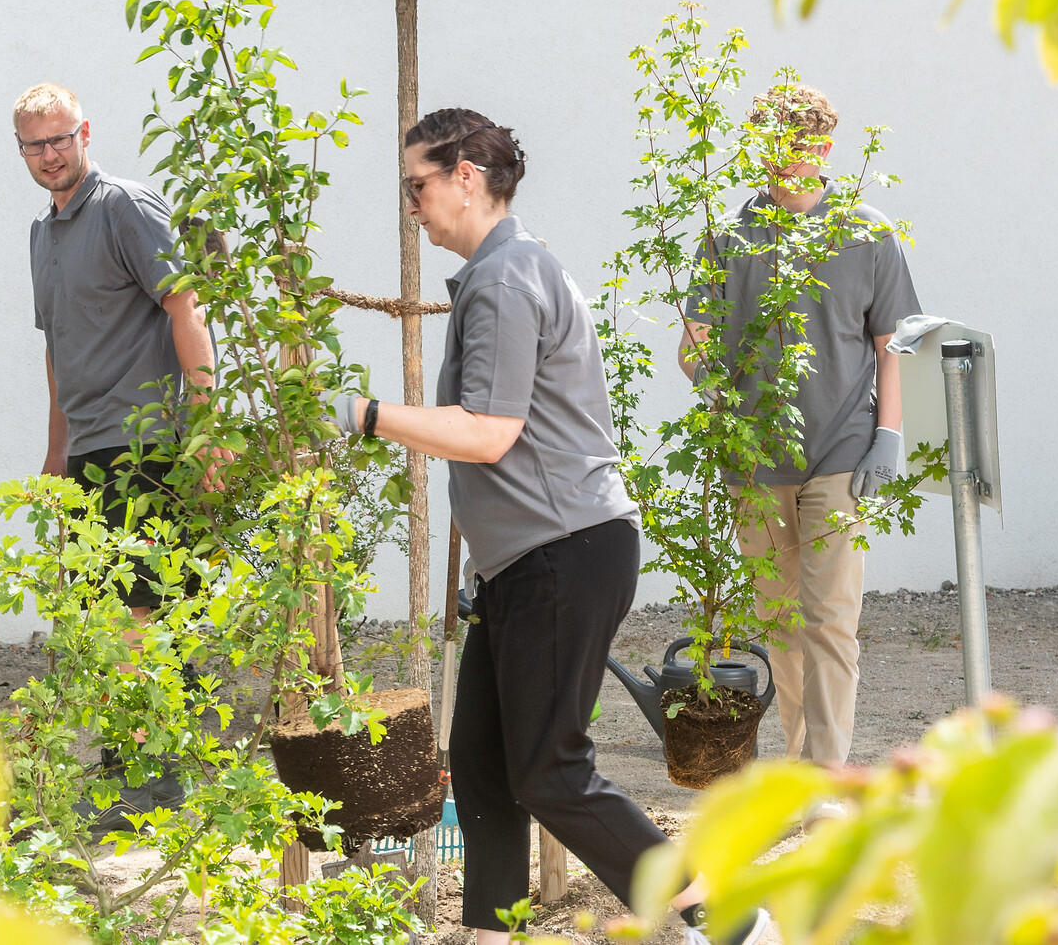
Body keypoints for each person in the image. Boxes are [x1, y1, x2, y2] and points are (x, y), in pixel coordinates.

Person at [326, 109, 768, 945]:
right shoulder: (508, 269)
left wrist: (363, 413)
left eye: (416, 185)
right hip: (530, 559)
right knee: (487, 770)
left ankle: (734, 920)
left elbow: (491, 431)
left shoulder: (504, 278)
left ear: (465, 176)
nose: (411, 206)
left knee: (550, 772)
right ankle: (491, 936)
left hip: (562, 552)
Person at [677, 84, 921, 768]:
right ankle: (800, 769)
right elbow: (693, 344)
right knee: (781, 626)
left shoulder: (867, 233)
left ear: (827, 149)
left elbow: (890, 348)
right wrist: (720, 395)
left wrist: (888, 436)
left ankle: (828, 781)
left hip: (842, 449)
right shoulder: (726, 239)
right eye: (778, 147)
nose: (791, 161)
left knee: (831, 623)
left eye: (805, 146)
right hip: (754, 461)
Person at [17, 81, 220, 814]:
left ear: (85, 133)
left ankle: (162, 785)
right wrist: (55, 454)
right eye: (35, 144)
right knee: (106, 616)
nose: (50, 154)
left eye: (60, 138)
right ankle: (132, 774)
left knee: (150, 613)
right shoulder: (42, 236)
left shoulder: (125, 207)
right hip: (90, 448)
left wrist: (204, 426)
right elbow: (58, 350)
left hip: (151, 440)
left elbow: (184, 308)